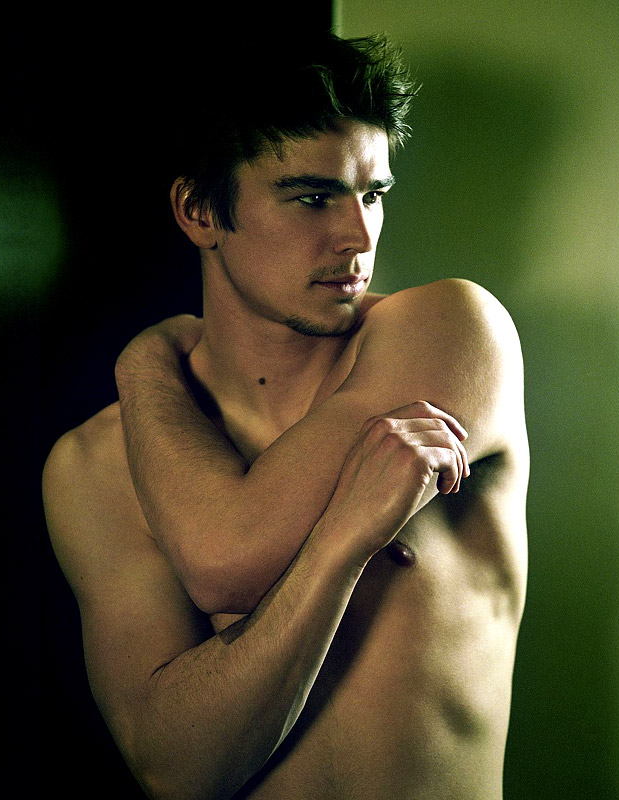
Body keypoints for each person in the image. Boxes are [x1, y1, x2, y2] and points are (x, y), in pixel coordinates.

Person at [43, 32, 529, 800]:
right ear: (200, 212)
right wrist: (341, 542)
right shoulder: (94, 464)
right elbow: (179, 771)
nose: (359, 237)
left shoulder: (448, 332)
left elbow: (223, 557)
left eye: (373, 195)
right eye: (313, 197)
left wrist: (143, 361)